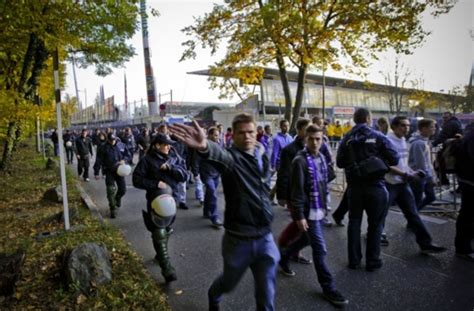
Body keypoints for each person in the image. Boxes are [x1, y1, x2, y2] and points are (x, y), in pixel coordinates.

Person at [169, 114, 279, 311]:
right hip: (238, 240)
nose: (247, 137)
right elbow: (220, 155)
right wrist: (204, 146)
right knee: (228, 283)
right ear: (233, 135)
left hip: (265, 238)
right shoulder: (231, 159)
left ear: (257, 133)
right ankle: (214, 295)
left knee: (267, 294)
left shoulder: (261, 154)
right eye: (241, 133)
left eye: (251, 132)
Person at [280, 125, 349, 307]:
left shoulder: (321, 158)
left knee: (306, 240)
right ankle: (329, 288)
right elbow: (296, 193)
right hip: (308, 212)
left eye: (318, 139)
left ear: (323, 139)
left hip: (319, 209)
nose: (315, 142)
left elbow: (324, 182)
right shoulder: (299, 161)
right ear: (305, 139)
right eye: (311, 139)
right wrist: (300, 216)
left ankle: (285, 256)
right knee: (320, 249)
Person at [336, 108, 399, 271]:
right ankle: (373, 261)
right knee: (376, 224)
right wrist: (375, 160)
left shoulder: (347, 138)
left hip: (355, 188)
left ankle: (354, 261)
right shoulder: (378, 137)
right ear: (368, 118)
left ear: (355, 120)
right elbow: (395, 158)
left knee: (354, 222)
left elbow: (340, 163)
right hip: (376, 186)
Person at [384, 116, 446, 254]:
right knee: (380, 214)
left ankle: (425, 244)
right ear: (394, 127)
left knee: (413, 213)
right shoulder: (387, 141)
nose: (406, 128)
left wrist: (412, 172)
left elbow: (404, 164)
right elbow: (386, 165)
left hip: (403, 183)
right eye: (402, 125)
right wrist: (405, 174)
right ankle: (374, 241)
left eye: (407, 125)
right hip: (390, 183)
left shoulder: (403, 141)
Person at [133, 133, 188, 282]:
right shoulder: (146, 160)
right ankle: (166, 267)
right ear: (157, 145)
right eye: (165, 144)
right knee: (159, 230)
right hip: (155, 200)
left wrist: (171, 168)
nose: (168, 147)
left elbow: (184, 175)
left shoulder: (174, 157)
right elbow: (136, 180)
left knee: (167, 229)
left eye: (170, 144)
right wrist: (155, 184)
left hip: (172, 200)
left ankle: (159, 252)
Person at [93, 133, 132, 218]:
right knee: (110, 190)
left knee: (123, 190)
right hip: (109, 171)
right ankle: (112, 208)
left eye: (113, 140)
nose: (112, 142)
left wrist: (124, 160)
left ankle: (117, 199)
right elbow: (98, 160)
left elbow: (128, 155)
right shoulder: (103, 147)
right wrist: (96, 172)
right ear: (108, 140)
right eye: (110, 140)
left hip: (120, 171)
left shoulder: (121, 145)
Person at [192, 127, 223, 228]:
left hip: (216, 174)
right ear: (209, 135)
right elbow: (196, 160)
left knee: (210, 193)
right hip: (206, 174)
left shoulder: (219, 145)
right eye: (215, 135)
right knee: (212, 193)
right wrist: (195, 173)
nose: (217, 137)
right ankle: (214, 217)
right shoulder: (202, 146)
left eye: (218, 135)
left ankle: (206, 211)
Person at [454, 123, 474, 262]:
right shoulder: (472, 137)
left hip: (467, 179)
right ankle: (463, 249)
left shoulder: (470, 133)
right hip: (470, 181)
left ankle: (465, 246)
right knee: (468, 215)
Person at [408, 119, 437, 210]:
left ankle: (413, 217)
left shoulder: (425, 141)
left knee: (430, 197)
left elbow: (428, 162)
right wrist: (430, 177)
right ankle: (413, 219)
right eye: (432, 127)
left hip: (425, 175)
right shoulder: (419, 143)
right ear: (424, 129)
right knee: (417, 200)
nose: (434, 129)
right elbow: (421, 164)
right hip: (419, 176)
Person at [270, 120, 293, 203]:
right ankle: (275, 196)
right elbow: (275, 152)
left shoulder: (290, 138)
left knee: (285, 181)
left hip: (290, 163)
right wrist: (274, 164)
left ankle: (271, 194)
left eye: (287, 126)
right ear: (280, 127)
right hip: (280, 163)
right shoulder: (277, 139)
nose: (286, 128)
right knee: (282, 180)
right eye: (284, 126)